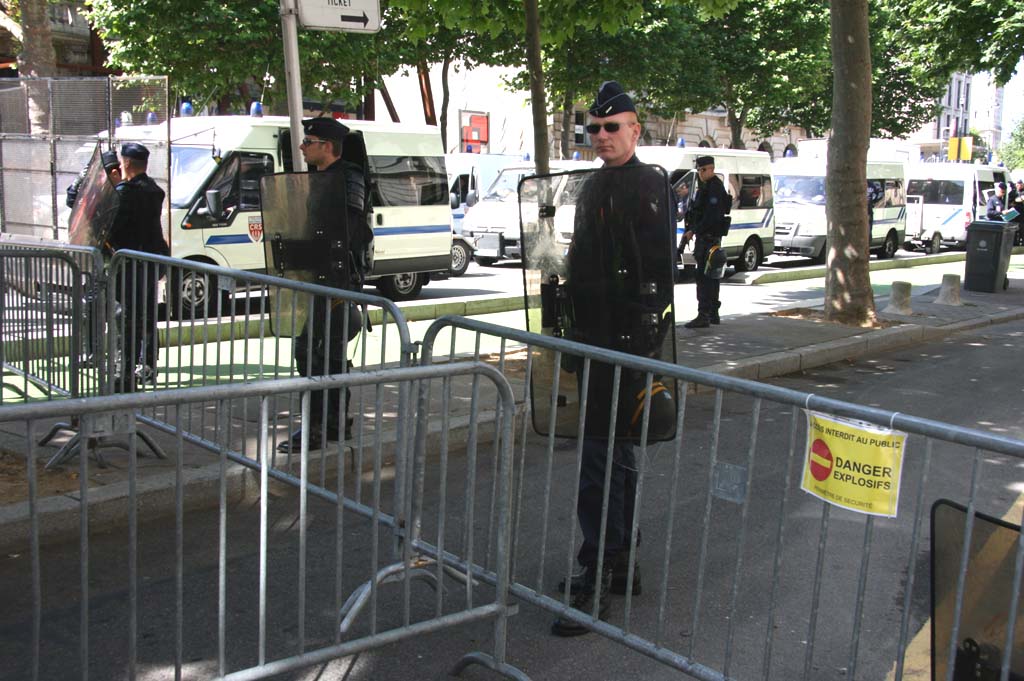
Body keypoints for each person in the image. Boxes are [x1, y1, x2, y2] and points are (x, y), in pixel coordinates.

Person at [551, 81, 673, 637]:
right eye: (594, 128)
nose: (601, 135)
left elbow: (656, 276)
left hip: (624, 343)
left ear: (635, 131)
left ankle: (597, 574)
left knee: (603, 460)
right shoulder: (593, 184)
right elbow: (584, 260)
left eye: (612, 127)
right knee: (613, 456)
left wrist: (637, 339)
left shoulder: (648, 184)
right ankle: (619, 563)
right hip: (594, 338)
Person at [278, 117, 367, 454]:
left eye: (309, 141)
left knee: (315, 352)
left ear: (328, 146)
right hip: (319, 278)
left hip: (336, 281)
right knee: (325, 354)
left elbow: (347, 233)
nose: (302, 147)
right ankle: (333, 423)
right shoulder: (321, 178)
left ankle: (318, 429)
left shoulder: (347, 178)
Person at [104, 142, 169, 392]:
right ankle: (147, 364)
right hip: (149, 262)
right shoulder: (154, 191)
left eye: (122, 162)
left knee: (126, 318)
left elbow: (112, 227)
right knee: (146, 316)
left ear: (127, 163)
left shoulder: (125, 193)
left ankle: (125, 372)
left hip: (129, 264)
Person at [679, 155, 730, 328]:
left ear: (711, 169)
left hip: (708, 239)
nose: (700, 173)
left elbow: (711, 217)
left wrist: (694, 230)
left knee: (703, 277)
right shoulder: (709, 186)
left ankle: (704, 314)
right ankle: (713, 313)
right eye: (699, 170)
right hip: (709, 238)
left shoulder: (713, 188)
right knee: (712, 276)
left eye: (702, 170)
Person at [1008, 179, 1024, 245]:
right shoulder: (1013, 192)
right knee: (1013, 228)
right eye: (1017, 184)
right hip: (1013, 213)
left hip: (1022, 213)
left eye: (1020, 184)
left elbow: (1020, 199)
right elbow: (1009, 201)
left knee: (1022, 228)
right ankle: (1014, 242)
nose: (1019, 185)